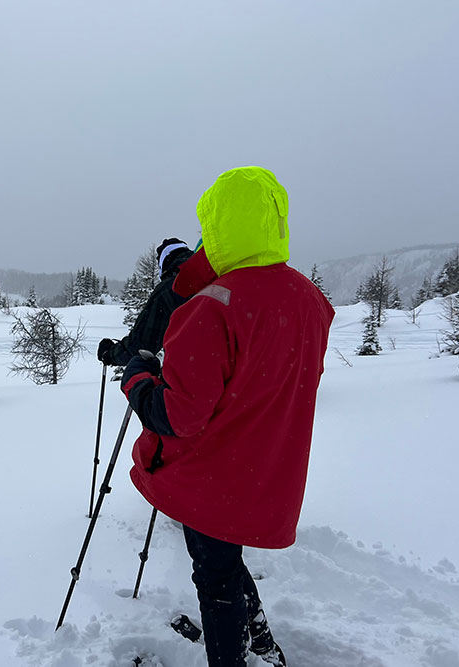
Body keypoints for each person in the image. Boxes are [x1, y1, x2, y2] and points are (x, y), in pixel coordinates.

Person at [119, 167, 335, 667]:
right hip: (269, 467)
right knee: (224, 562)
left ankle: (233, 651)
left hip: (213, 474)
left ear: (215, 226)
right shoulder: (308, 299)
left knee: (214, 579)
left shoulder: (212, 305)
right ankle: (259, 641)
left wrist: (138, 380)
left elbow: (179, 415)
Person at [96, 237, 194, 367]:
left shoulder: (169, 289)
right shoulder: (211, 278)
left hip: (192, 375)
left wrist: (110, 354)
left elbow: (140, 346)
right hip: (224, 375)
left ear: (165, 262)